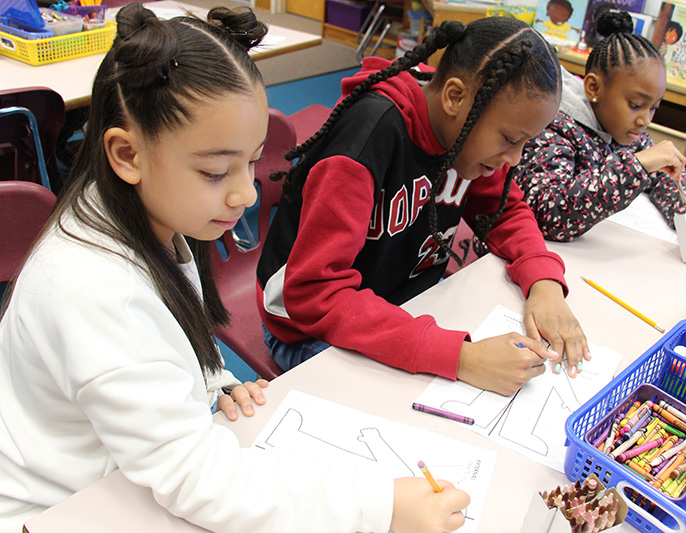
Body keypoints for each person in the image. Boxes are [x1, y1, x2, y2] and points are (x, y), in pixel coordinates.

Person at [0, 4, 469, 532]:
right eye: (216, 171)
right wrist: (380, 508)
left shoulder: (147, 210)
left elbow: (163, 341)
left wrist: (208, 380)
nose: (246, 192)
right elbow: (197, 480)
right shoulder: (97, 290)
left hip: (114, 472)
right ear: (127, 154)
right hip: (58, 509)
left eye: (251, 162)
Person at [256, 16, 591, 394]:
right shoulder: (366, 141)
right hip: (303, 327)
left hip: (399, 304)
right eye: (510, 139)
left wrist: (543, 283)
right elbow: (315, 291)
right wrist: (460, 357)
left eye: (524, 144)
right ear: (454, 97)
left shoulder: (469, 135)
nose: (514, 159)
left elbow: (504, 211)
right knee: (414, 410)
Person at [513, 11, 686, 248]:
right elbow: (548, 215)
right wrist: (636, 167)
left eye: (653, 108)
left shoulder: (629, 133)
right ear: (594, 88)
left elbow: (665, 177)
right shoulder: (554, 128)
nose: (645, 120)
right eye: (635, 105)